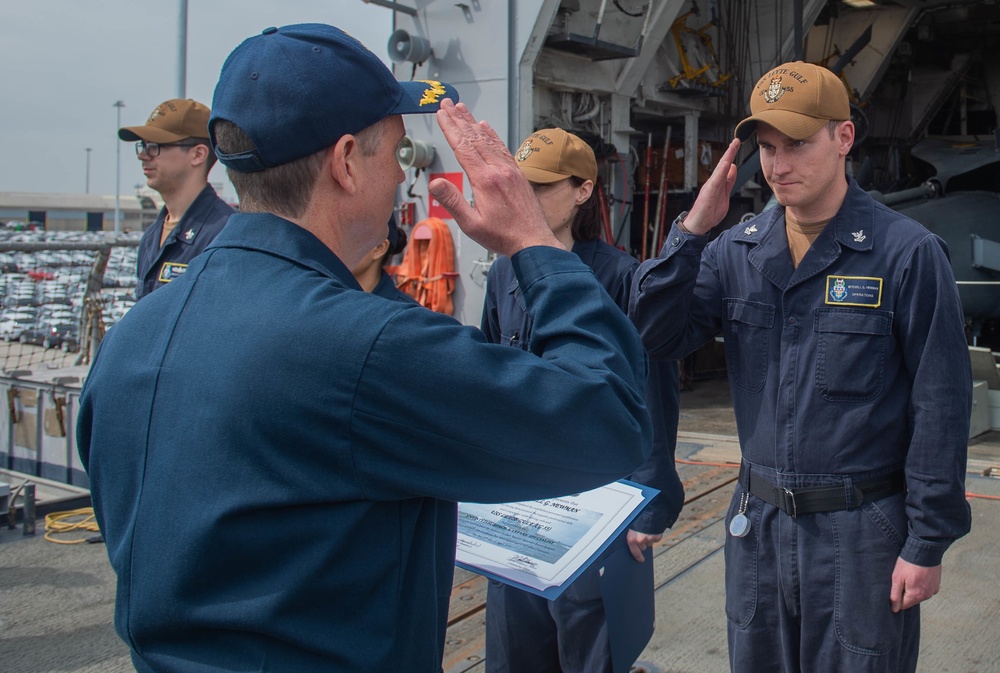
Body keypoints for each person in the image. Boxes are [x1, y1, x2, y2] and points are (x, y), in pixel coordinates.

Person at [78, 23, 653, 673]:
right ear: (347, 161)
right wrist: (532, 243)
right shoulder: (365, 351)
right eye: (399, 154)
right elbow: (609, 418)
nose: (405, 183)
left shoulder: (131, 340)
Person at [629, 61, 972, 673]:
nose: (778, 165)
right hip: (757, 527)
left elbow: (940, 403)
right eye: (766, 147)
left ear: (843, 138)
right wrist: (691, 231)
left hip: (861, 533)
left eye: (797, 144)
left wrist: (926, 540)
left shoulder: (905, 253)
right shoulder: (736, 250)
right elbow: (655, 338)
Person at [481, 128, 684, 673]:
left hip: (598, 511)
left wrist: (651, 503)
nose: (525, 198)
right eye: (519, 186)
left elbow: (651, 397)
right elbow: (491, 382)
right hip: (519, 506)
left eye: (541, 187)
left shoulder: (621, 280)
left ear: (583, 190)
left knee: (591, 655)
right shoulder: (504, 274)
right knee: (513, 654)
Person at [118, 98, 234, 299]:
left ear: (197, 154)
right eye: (143, 146)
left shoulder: (225, 234)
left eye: (154, 146)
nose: (143, 155)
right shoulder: (151, 237)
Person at [351, 214, 414, 301]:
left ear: (379, 248)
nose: (333, 246)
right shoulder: (328, 302)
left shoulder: (406, 313)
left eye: (349, 237)